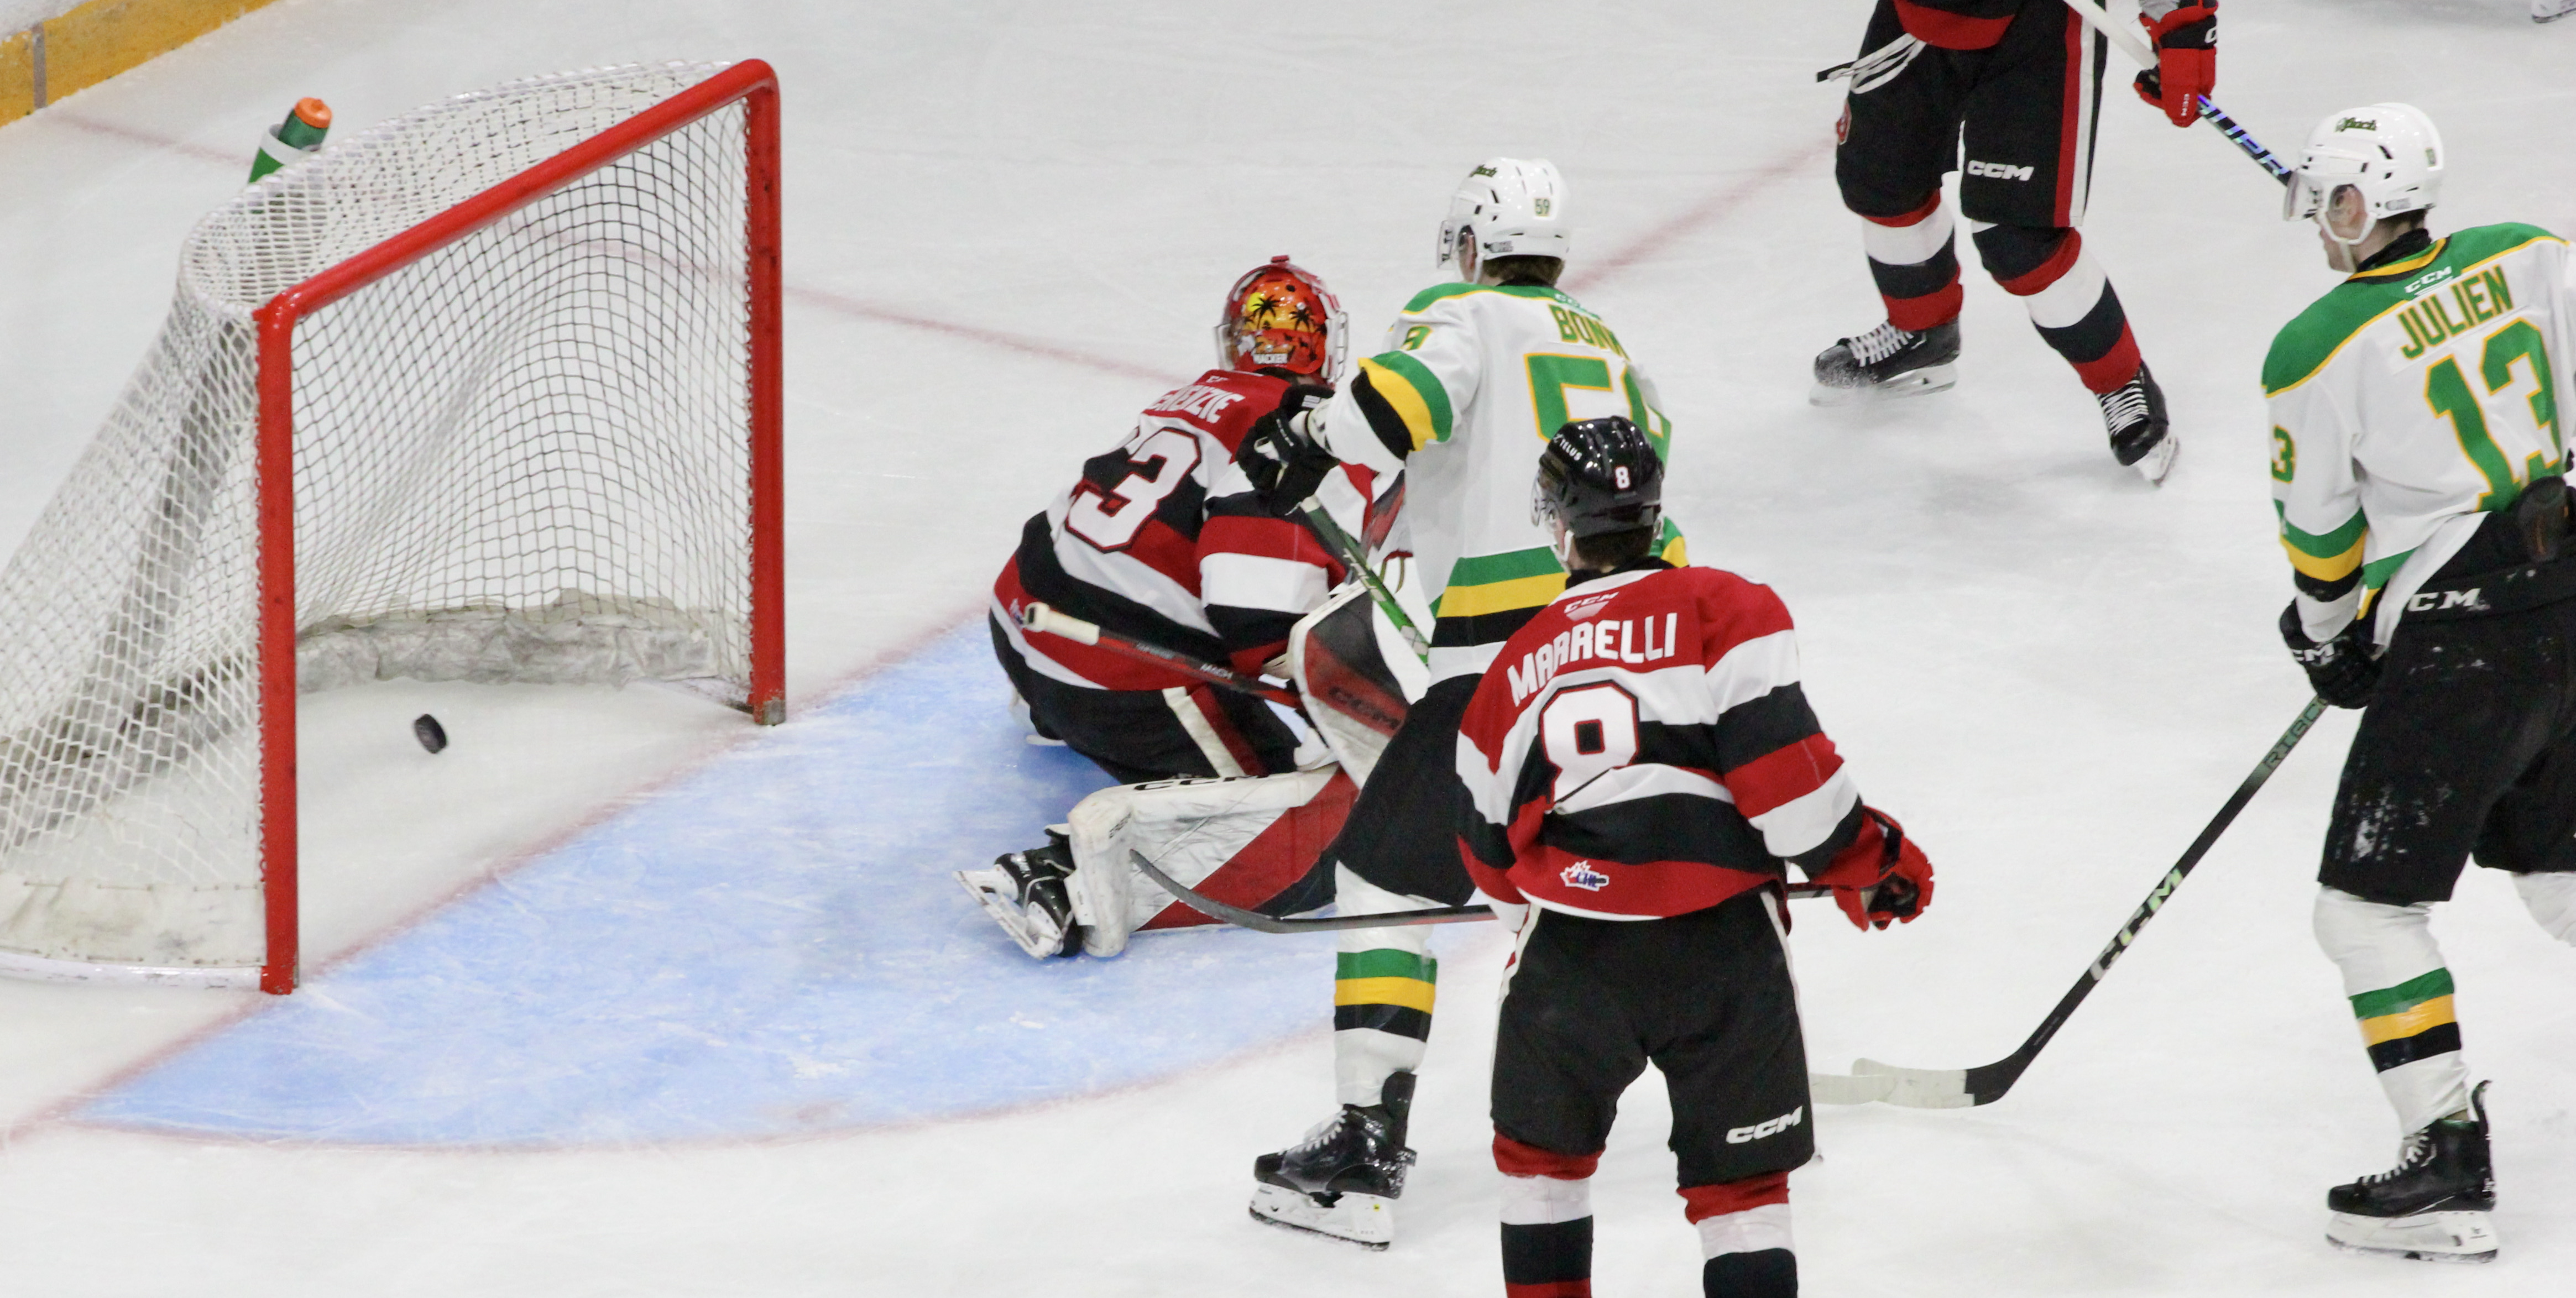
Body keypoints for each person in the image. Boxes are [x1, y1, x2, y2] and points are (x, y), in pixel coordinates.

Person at [1239, 159, 1687, 1249]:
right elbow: (1652, 503)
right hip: (1620, 656)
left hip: (1497, 669)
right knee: (1575, 879)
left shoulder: (1462, 310)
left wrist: (1302, 441)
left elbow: (1393, 410)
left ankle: (1361, 1144)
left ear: (1474, 246)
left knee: (1384, 878)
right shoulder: (1610, 347)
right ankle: (1726, 1071)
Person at [1455, 417, 1935, 1298]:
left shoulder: (1511, 669)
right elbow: (1791, 801)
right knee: (1740, 1194)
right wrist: (1868, 862)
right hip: (1720, 950)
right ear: (1651, 514)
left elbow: (1489, 864)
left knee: (1538, 1169)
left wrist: (1585, 889)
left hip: (1569, 958)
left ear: (1559, 526)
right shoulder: (1724, 608)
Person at [2265, 102, 2576, 1263]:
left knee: (2361, 908)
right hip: (2564, 601)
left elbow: (2320, 535)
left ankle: (2445, 1158)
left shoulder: (2315, 346)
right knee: (2558, 870)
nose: (2320, 227)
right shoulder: (2528, 254)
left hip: (2463, 645)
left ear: (2355, 204)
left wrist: (2327, 636)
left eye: (2327, 203)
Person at [962, 256, 1375, 959]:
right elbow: (1255, 624)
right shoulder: (1294, 436)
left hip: (1019, 624)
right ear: (1326, 347)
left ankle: (1051, 712)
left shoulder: (1194, 398)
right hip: (1111, 680)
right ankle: (1070, 880)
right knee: (1303, 832)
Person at [1814, 0, 2215, 483]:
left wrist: (2182, 26)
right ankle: (1921, 332)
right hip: (1918, 15)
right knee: (1882, 183)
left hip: (2039, 27)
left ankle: (2120, 383)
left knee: (2020, 240)